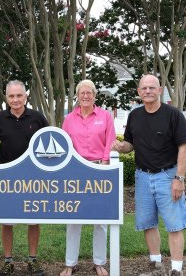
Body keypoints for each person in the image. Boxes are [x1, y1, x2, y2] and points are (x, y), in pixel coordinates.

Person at [111, 74, 186, 276]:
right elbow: (131, 144)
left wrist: (179, 179)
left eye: (151, 88)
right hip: (143, 177)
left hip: (168, 176)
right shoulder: (135, 115)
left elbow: (184, 146)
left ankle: (176, 270)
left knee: (174, 225)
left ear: (160, 90)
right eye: (144, 88)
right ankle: (156, 266)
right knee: (148, 223)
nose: (147, 91)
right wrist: (122, 147)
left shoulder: (173, 115)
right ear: (138, 92)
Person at [0, 80, 49, 276]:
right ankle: (8, 261)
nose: (15, 99)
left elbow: (48, 143)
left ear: (26, 96)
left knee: (33, 221)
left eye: (19, 96)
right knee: (7, 221)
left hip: (33, 178)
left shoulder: (38, 118)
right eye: (11, 96)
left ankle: (32, 260)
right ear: (6, 97)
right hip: (7, 178)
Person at [60, 79, 116, 276]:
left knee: (100, 219)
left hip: (99, 169)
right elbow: (64, 147)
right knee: (73, 218)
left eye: (89, 93)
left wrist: (105, 162)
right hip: (76, 171)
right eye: (82, 93)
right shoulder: (69, 119)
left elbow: (110, 141)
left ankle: (99, 262)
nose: (85, 96)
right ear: (77, 95)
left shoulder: (105, 116)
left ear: (94, 95)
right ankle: (70, 262)